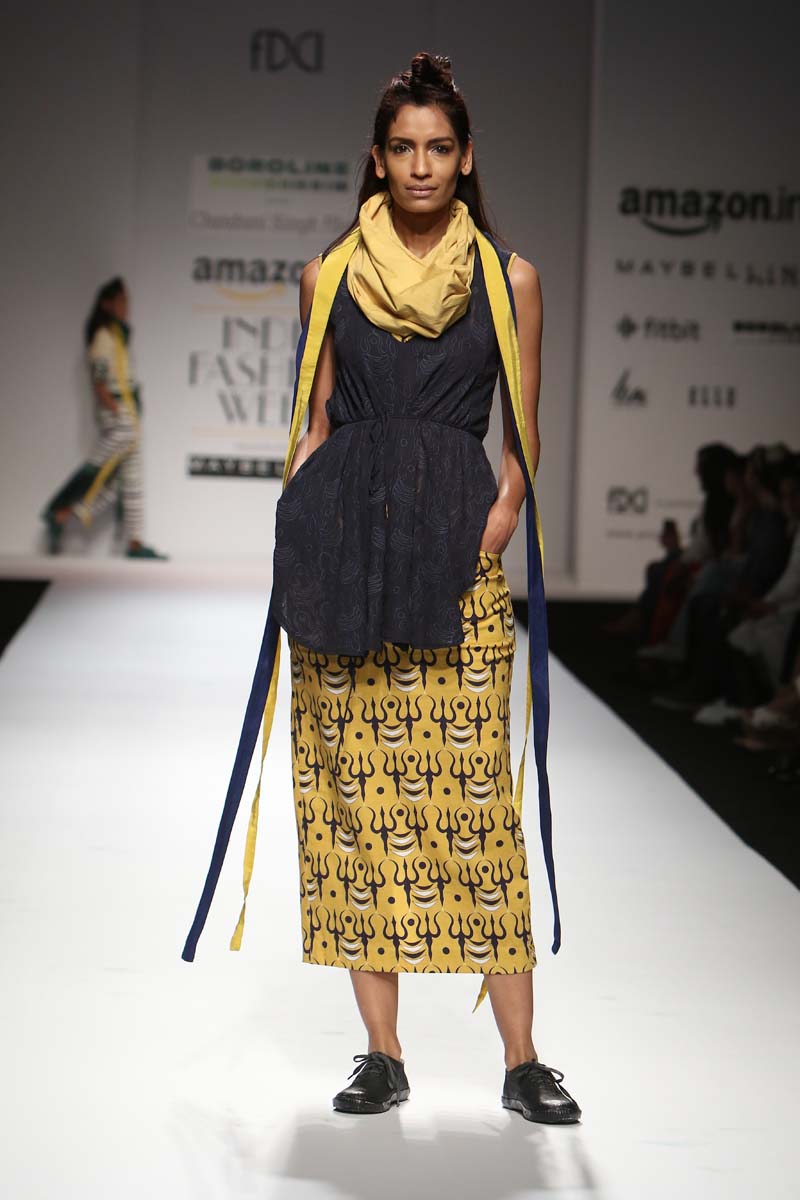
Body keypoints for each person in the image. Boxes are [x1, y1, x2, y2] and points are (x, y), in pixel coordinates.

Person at [182, 51, 580, 1125]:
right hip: (346, 556)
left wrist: (499, 518)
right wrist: (301, 523)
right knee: (355, 804)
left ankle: (523, 1060)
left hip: (457, 558)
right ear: (376, 156)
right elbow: (313, 421)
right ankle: (382, 1052)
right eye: (402, 148)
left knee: (477, 811)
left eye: (438, 147)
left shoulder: (510, 279)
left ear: (466, 158)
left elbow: (524, 428)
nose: (420, 166)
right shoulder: (326, 275)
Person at [40, 277, 167, 559]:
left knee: (128, 479)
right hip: (119, 410)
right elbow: (99, 379)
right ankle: (61, 508)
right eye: (121, 301)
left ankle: (131, 541)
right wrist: (114, 407)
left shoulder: (118, 336)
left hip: (128, 409)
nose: (126, 307)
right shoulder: (103, 337)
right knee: (101, 466)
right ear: (107, 304)